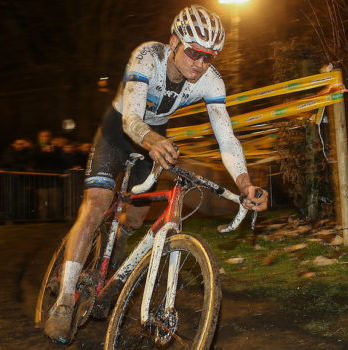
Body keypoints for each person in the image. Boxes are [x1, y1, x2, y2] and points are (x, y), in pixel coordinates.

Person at [43, 4, 269, 343]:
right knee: (95, 206)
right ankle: (63, 303)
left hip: (154, 137)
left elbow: (227, 139)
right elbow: (132, 118)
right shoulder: (147, 56)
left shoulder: (211, 80)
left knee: (134, 221)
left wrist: (245, 182)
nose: (200, 63)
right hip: (119, 131)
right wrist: (150, 139)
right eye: (194, 52)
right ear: (174, 41)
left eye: (210, 57)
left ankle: (110, 266)